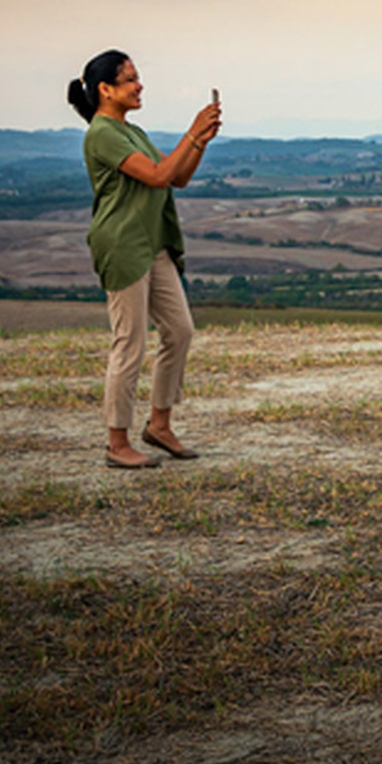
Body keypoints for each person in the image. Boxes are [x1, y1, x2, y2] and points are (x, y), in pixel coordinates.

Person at [66, 50, 222, 470]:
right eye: (131, 79)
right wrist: (190, 131)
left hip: (152, 244)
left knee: (180, 331)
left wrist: (200, 141)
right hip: (122, 245)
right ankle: (117, 442)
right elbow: (155, 176)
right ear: (105, 89)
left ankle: (159, 425)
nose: (140, 86)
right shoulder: (102, 133)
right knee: (129, 343)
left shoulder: (130, 132)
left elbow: (177, 176)